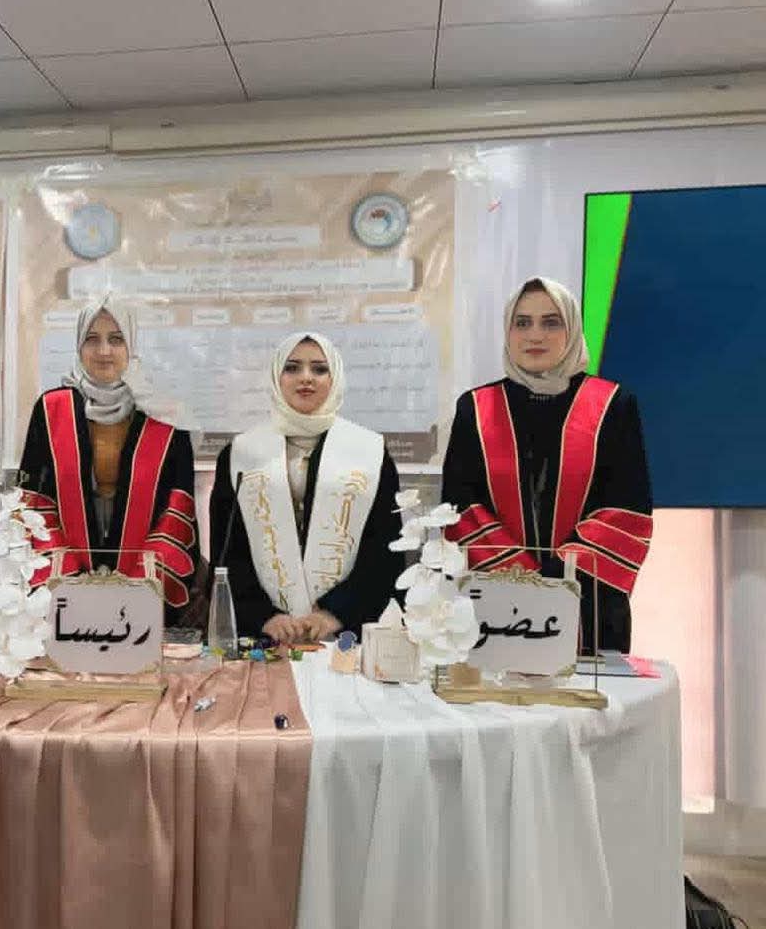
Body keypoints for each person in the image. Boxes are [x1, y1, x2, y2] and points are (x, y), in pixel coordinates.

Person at [441, 276, 653, 652]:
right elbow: (461, 507)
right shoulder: (476, 408)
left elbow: (625, 510)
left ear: (571, 330)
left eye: (551, 322)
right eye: (522, 323)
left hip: (589, 602)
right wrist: (520, 574)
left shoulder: (613, 406)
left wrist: (557, 574)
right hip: (495, 604)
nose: (534, 335)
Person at [208, 331, 403, 643]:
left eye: (319, 369)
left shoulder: (370, 452)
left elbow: (384, 549)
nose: (306, 378)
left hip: (343, 633)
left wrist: (336, 612)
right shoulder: (241, 454)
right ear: (277, 377)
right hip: (265, 636)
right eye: (292, 367)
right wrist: (264, 616)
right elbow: (228, 550)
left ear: (335, 378)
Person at [18, 296, 197, 618]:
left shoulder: (165, 414)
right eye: (92, 339)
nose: (104, 351)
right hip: (66, 573)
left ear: (132, 345)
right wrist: (68, 580)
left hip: (143, 575)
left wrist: (137, 584)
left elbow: (177, 506)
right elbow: (34, 500)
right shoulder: (51, 408)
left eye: (116, 339)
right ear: (79, 346)